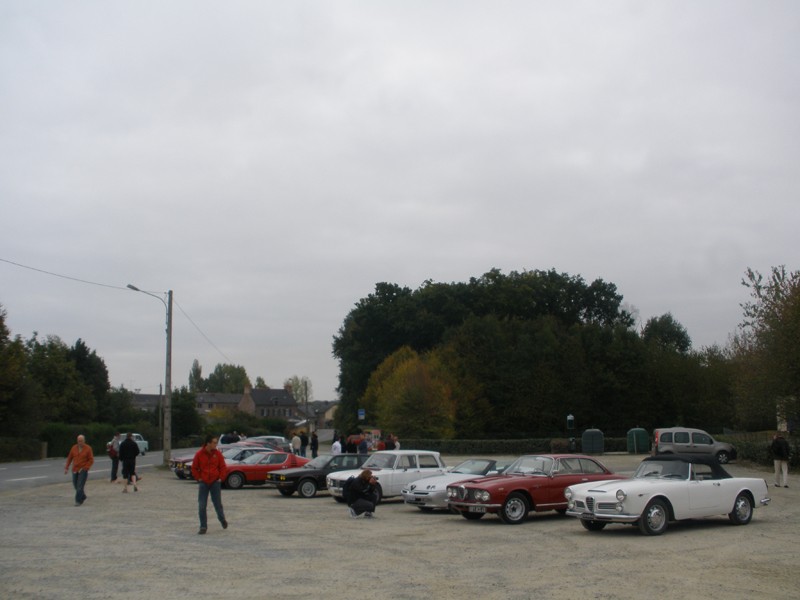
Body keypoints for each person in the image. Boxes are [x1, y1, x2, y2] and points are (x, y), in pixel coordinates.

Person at [191, 435, 229, 534]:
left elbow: (223, 467)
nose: (216, 445)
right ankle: (203, 526)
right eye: (214, 443)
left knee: (217, 504)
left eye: (216, 443)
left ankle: (222, 519)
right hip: (204, 482)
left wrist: (221, 478)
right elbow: (194, 467)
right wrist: (198, 477)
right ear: (208, 443)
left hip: (215, 482)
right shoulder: (199, 454)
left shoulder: (218, 454)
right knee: (202, 505)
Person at [64, 435, 94, 506]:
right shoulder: (74, 448)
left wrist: (85, 468)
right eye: (78, 441)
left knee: (80, 485)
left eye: (81, 441)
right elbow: (69, 458)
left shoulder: (88, 448)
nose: (80, 442)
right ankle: (82, 496)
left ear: (84, 441)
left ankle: (78, 501)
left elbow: (91, 460)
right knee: (75, 485)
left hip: (83, 470)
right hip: (75, 469)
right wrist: (66, 467)